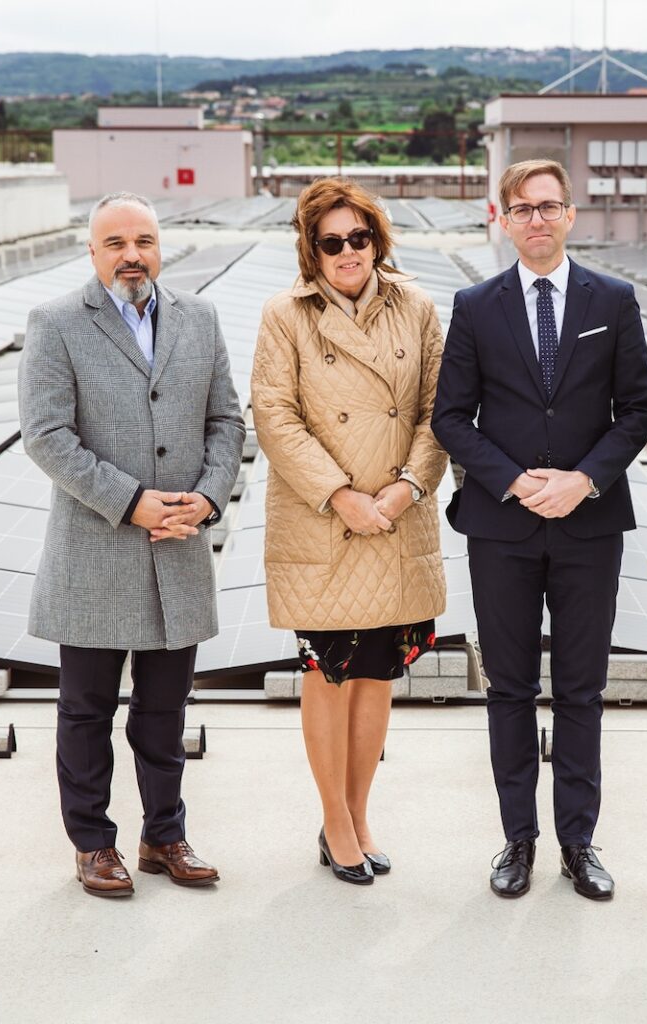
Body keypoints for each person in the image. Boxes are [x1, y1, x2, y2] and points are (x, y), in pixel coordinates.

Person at [433, 159, 647, 901]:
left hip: (590, 526)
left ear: (570, 215)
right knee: (510, 689)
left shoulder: (614, 301)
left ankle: (579, 841)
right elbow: (450, 418)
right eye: (521, 208)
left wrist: (584, 480)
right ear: (502, 219)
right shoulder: (474, 305)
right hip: (502, 527)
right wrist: (513, 480)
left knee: (582, 690)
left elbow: (638, 412)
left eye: (548, 206)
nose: (535, 218)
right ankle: (517, 841)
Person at [19, 190, 246, 898]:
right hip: (96, 549)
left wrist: (207, 498)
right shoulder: (56, 323)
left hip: (179, 545)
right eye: (114, 242)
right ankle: (92, 842)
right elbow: (46, 436)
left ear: (160, 246)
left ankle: (164, 835)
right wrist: (132, 502)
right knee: (86, 708)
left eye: (143, 240)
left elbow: (226, 421)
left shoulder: (199, 318)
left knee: (166, 710)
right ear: (92, 252)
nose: (131, 254)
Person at [251, 177, 448, 886]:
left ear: (376, 240)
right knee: (328, 676)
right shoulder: (286, 315)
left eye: (358, 238)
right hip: (325, 524)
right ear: (311, 249)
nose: (346, 252)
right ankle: (334, 820)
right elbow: (274, 416)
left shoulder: (417, 306)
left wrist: (403, 490)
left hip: (396, 519)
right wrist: (341, 496)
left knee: (375, 678)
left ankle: (360, 814)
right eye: (330, 241)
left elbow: (437, 410)